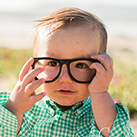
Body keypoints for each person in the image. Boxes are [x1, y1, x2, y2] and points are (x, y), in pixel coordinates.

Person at [0, 7, 134, 137]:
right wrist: (14, 109)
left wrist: (100, 92)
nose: (65, 78)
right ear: (35, 67)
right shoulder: (25, 111)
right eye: (52, 63)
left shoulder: (102, 116)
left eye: (80, 65)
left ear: (100, 67)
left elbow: (116, 134)